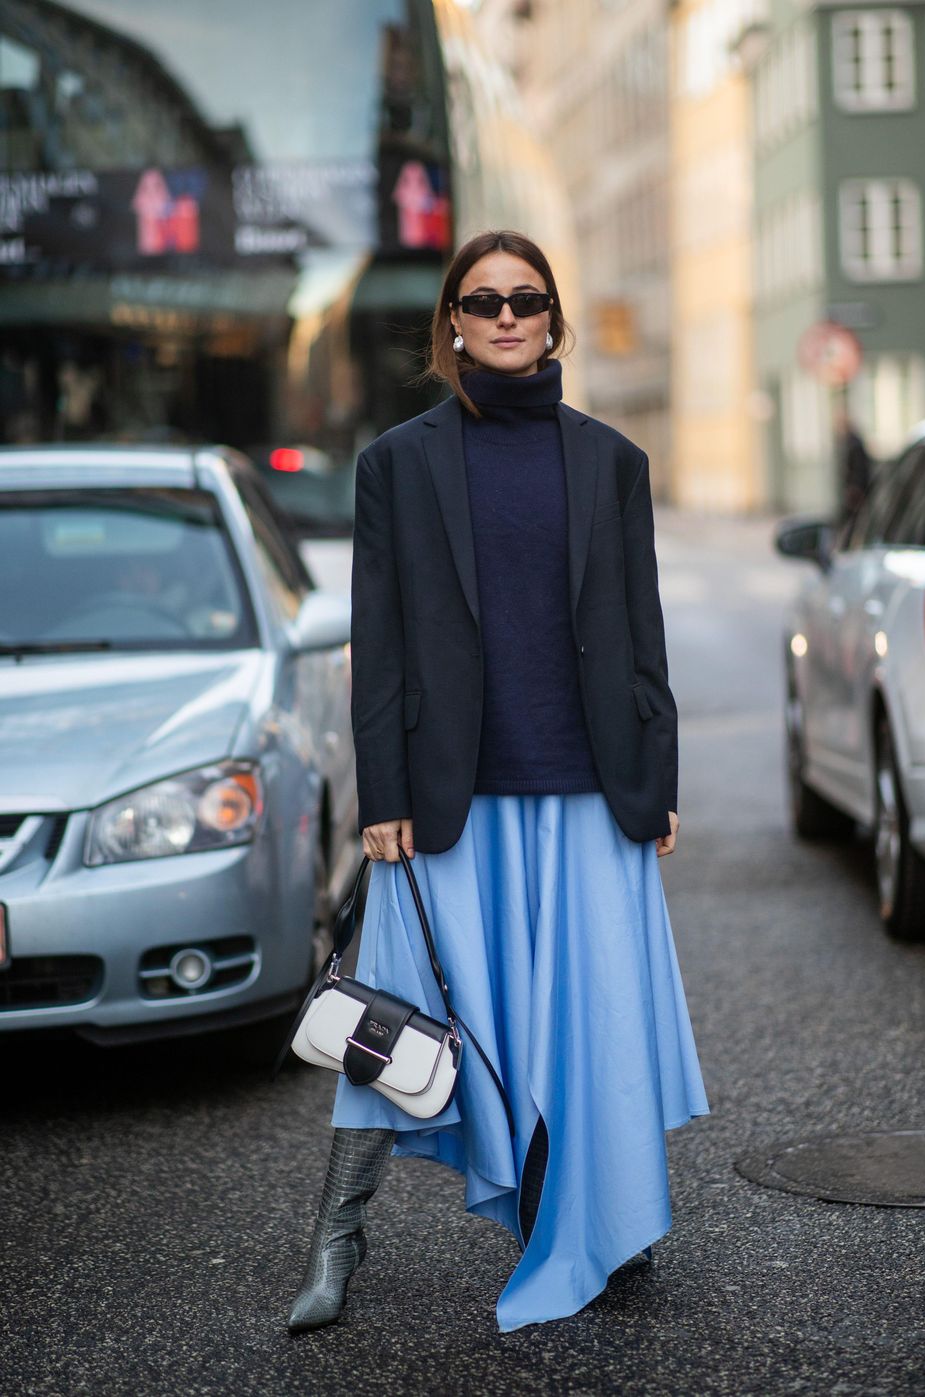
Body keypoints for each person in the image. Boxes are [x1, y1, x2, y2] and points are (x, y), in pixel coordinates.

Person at [287, 230, 709, 1335]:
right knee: (391, 1011)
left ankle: (598, 1222)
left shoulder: (611, 460)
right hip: (444, 793)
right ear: (453, 323)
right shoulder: (397, 463)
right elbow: (377, 645)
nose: (507, 315)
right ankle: (335, 1241)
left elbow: (639, 637)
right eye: (483, 301)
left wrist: (655, 775)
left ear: (553, 318)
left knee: (585, 1020)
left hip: (584, 788)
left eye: (526, 299)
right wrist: (382, 792)